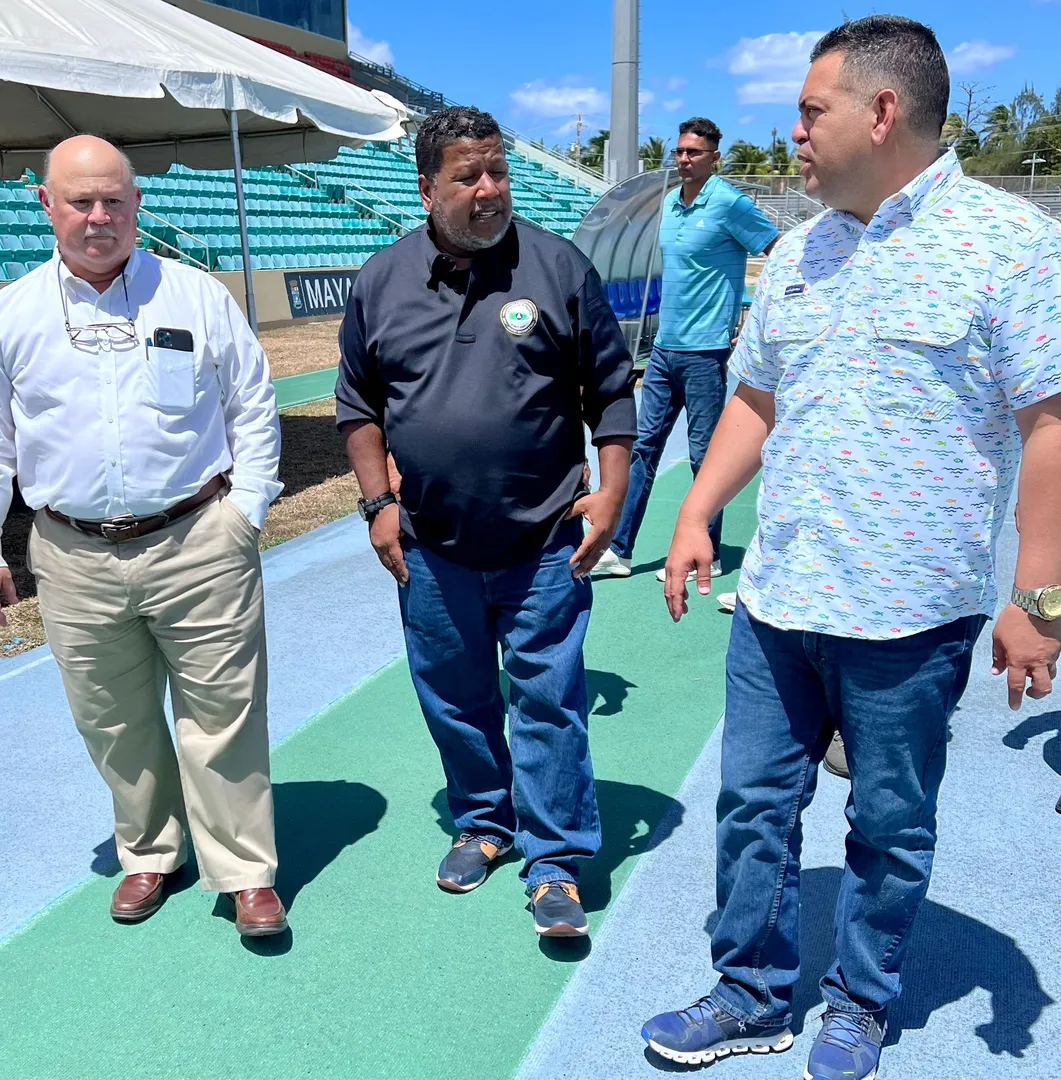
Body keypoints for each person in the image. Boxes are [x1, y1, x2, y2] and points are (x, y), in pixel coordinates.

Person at [641, 17, 1061, 1080]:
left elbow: (1048, 426)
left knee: (886, 825)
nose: (789, 133)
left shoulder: (1008, 247)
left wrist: (1038, 597)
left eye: (808, 110)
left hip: (909, 618)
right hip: (779, 600)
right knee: (750, 809)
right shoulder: (795, 250)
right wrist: (695, 514)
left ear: (880, 114)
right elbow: (755, 395)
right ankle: (750, 992)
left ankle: (859, 1002)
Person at [336, 106, 635, 939]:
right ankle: (483, 822)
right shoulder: (380, 279)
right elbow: (357, 406)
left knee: (547, 702)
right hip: (429, 546)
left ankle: (554, 860)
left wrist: (610, 493)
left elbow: (610, 391)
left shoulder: (558, 267)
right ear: (426, 185)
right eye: (467, 176)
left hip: (544, 540)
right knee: (457, 701)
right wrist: (377, 504)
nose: (489, 189)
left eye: (497, 171)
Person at [0, 136, 287, 936]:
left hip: (197, 538)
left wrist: (248, 511)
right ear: (46, 205)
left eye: (113, 201)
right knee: (112, 719)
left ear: (137, 204)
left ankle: (244, 870)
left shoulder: (195, 296)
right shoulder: (13, 312)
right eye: (80, 201)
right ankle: (150, 852)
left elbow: (253, 405)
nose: (98, 217)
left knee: (223, 711)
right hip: (70, 552)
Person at [593, 117, 777, 582]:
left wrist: (755, 318)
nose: (683, 159)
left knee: (704, 455)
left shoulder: (730, 204)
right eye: (679, 151)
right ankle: (619, 549)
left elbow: (780, 251)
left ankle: (708, 552)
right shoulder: (671, 204)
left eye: (694, 152)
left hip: (705, 353)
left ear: (714, 157)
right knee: (641, 449)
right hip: (663, 352)